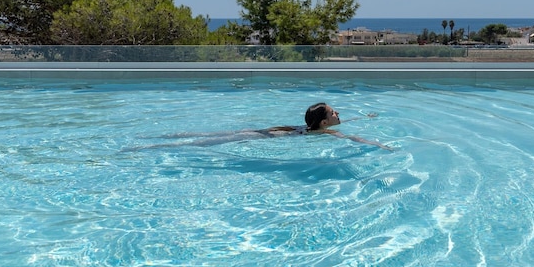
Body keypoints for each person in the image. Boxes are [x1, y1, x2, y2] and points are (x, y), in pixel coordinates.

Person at [127, 102, 391, 150]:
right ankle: (153, 146)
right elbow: (354, 139)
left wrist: (364, 118)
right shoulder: (327, 132)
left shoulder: (314, 126)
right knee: (210, 142)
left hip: (277, 130)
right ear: (324, 123)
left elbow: (350, 128)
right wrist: (379, 145)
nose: (338, 113)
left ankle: (160, 138)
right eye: (334, 113)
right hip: (270, 137)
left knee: (217, 135)